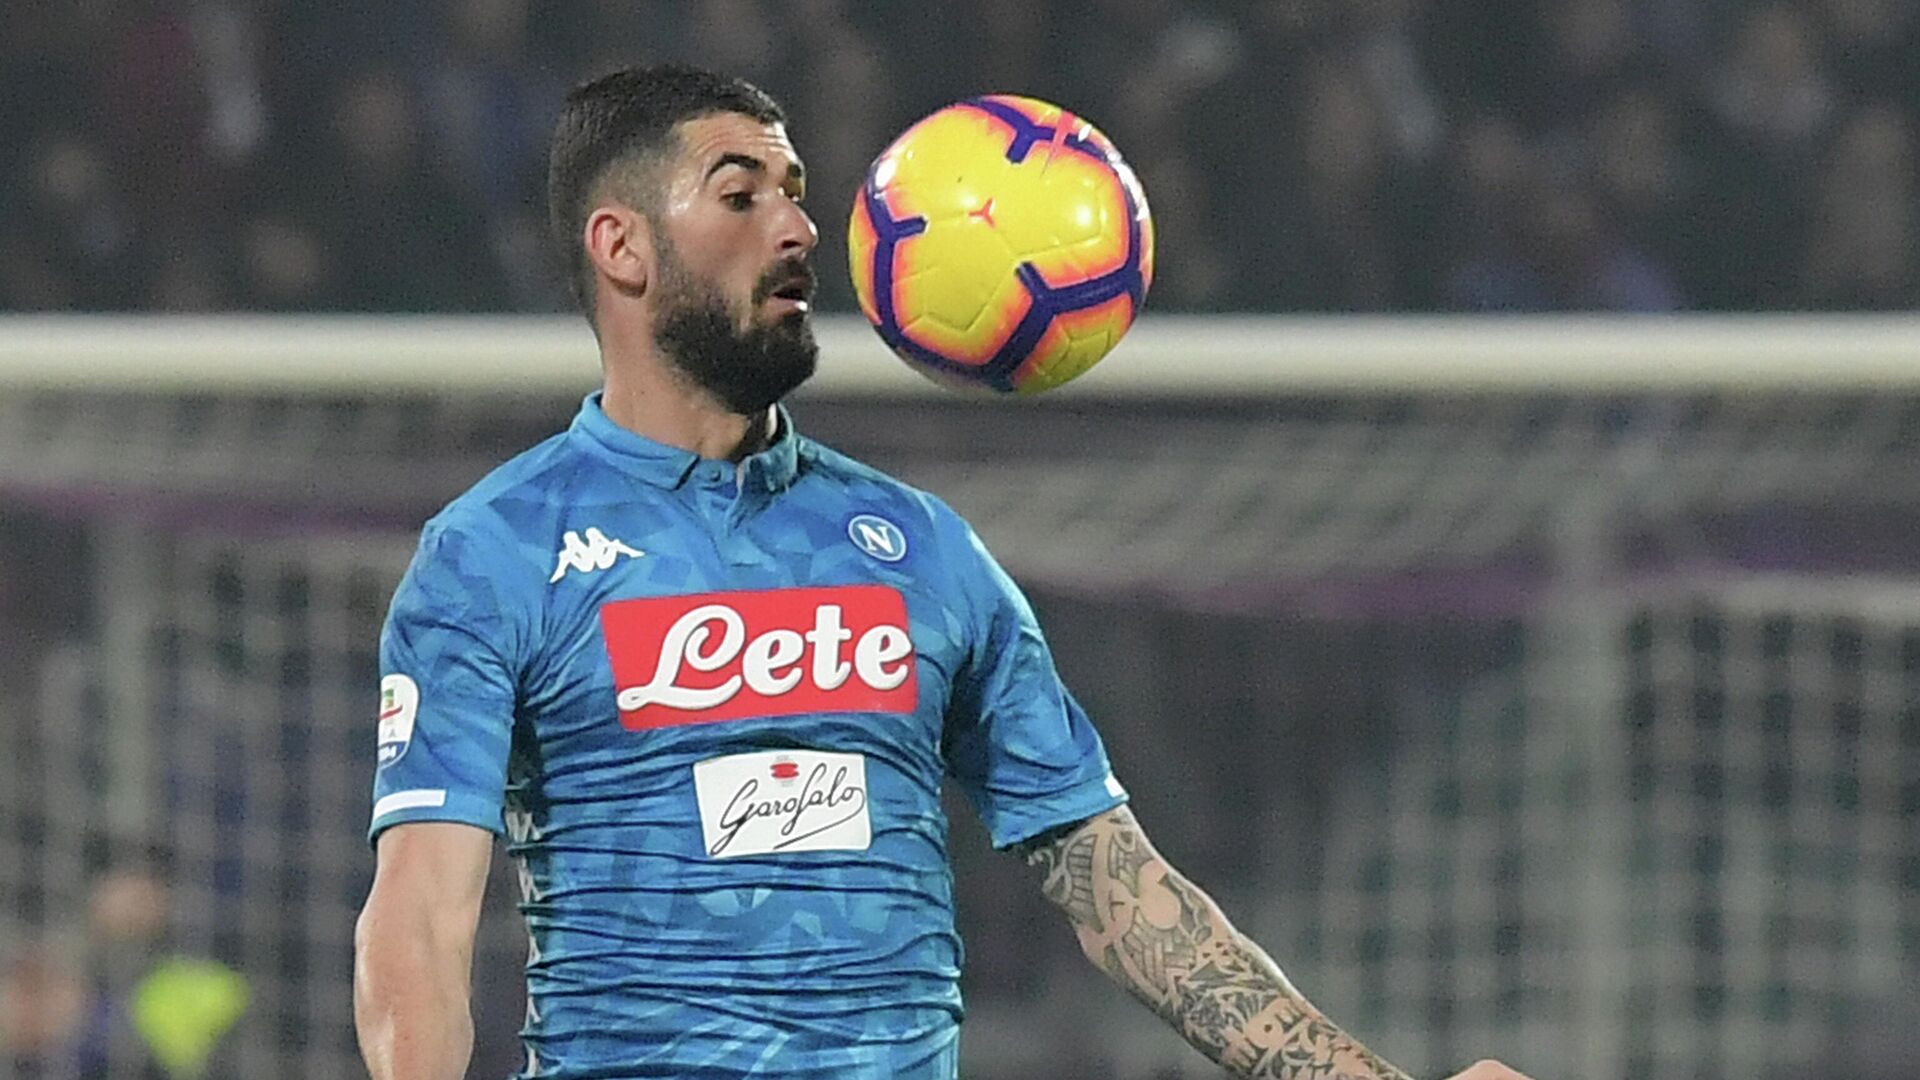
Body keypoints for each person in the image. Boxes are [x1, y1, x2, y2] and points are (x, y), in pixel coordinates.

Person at [351, 63, 1532, 1080]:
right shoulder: (496, 550)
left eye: (800, 196)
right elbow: (422, 912)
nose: (801, 228)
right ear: (621, 246)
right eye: (742, 193)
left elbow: (1113, 883)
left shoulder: (918, 550)